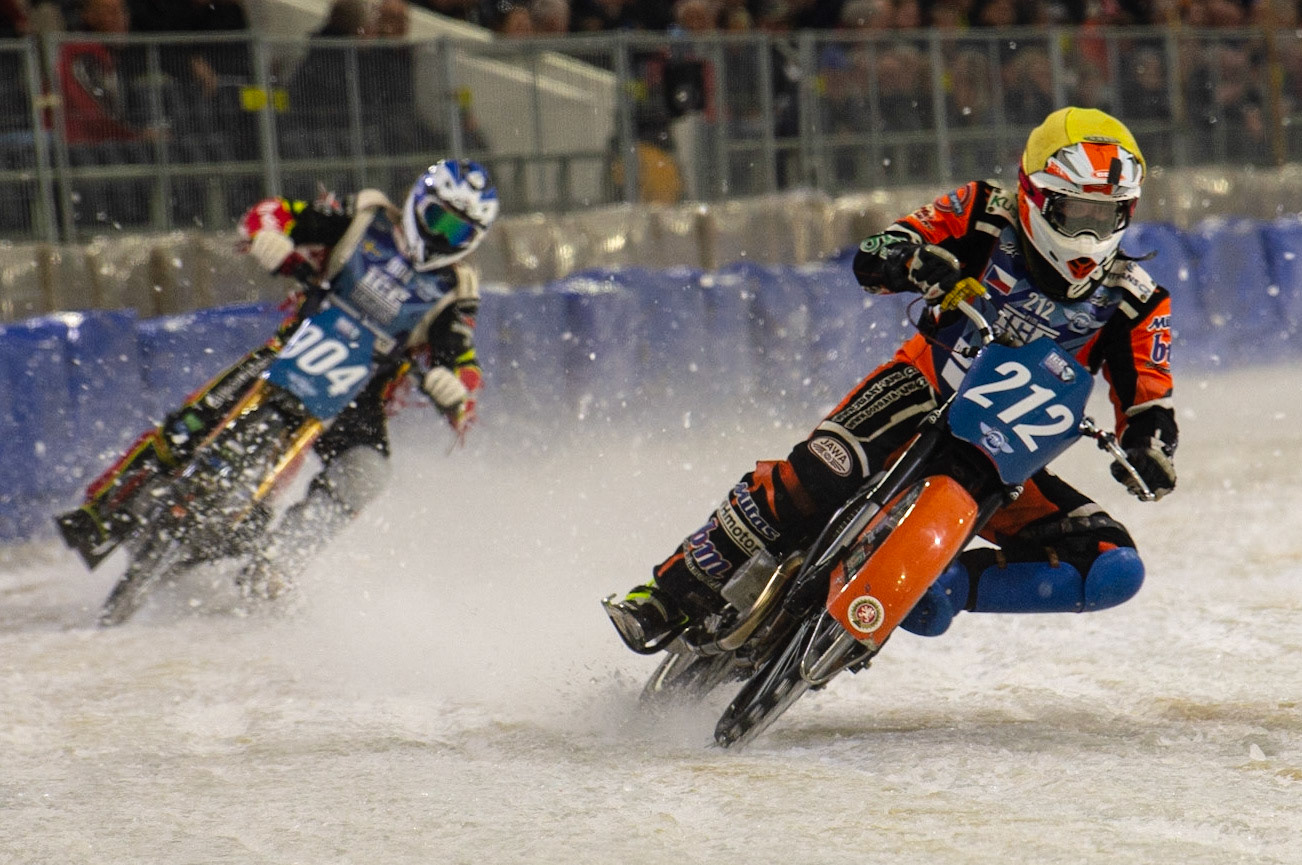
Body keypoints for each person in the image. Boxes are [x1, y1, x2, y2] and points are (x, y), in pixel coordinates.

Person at [605, 107, 1178, 652]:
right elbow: (878, 251)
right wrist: (915, 262)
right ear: (1034, 194)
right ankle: (668, 592)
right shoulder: (984, 211)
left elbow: (1150, 401)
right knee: (818, 473)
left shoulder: (1137, 300)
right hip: (920, 390)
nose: (1088, 235)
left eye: (1106, 216)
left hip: (1003, 452)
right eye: (1075, 212)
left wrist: (1151, 449)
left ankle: (942, 582)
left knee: (1113, 565)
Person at [56, 159, 499, 599]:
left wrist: (455, 389)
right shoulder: (366, 217)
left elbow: (462, 358)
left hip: (359, 389)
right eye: (438, 219)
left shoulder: (456, 288)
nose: (443, 236)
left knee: (368, 471)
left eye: (458, 231)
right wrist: (269, 236)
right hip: (292, 349)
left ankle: (276, 563)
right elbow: (277, 212)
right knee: (193, 421)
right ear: (418, 202)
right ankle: (105, 509)